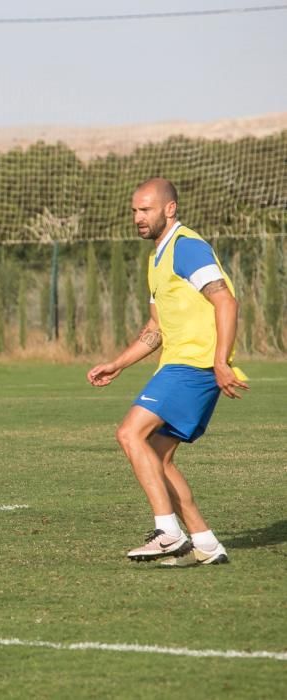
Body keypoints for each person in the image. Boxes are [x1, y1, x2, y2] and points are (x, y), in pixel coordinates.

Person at [87, 177, 247, 566]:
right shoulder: (156, 258)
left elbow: (226, 301)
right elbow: (155, 329)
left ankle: (168, 533)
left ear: (169, 209)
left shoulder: (187, 247)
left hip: (195, 365)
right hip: (179, 363)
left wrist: (221, 360)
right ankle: (205, 543)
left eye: (146, 210)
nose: (138, 218)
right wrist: (118, 364)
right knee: (157, 456)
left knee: (129, 433)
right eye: (134, 211)